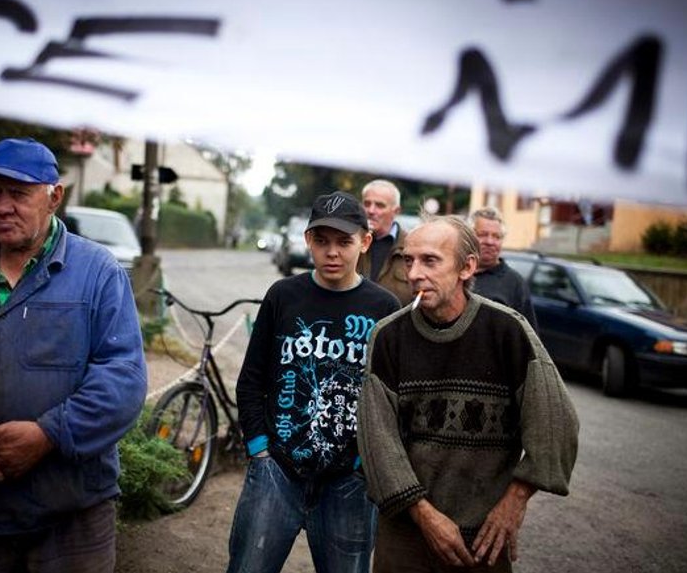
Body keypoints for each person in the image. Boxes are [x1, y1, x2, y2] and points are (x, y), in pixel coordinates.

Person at [0, 137, 148, 573]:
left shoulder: (98, 272)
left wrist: (48, 434)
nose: (1, 206)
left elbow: (124, 378)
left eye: (18, 193)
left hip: (71, 518)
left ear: (54, 198)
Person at [358, 215, 579, 573]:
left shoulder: (508, 331)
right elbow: (376, 441)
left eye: (430, 260)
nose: (414, 273)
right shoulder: (388, 337)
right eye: (409, 260)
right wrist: (425, 515)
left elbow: (556, 424)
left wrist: (515, 501)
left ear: (467, 267)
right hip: (405, 535)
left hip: (484, 539)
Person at [228, 191, 401, 573]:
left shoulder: (384, 307)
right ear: (308, 240)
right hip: (277, 470)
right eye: (321, 241)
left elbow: (391, 398)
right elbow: (252, 379)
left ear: (365, 242)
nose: (332, 252)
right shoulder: (283, 296)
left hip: (348, 482)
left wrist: (363, 461)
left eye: (344, 242)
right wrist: (259, 449)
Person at [469, 206, 538, 329]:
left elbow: (528, 335)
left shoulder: (515, 284)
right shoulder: (455, 273)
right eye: (482, 235)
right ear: (469, 237)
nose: (490, 242)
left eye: (497, 236)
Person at [358, 179, 414, 305]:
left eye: (380, 205)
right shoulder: (351, 242)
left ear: (396, 211)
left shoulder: (411, 248)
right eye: (367, 204)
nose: (371, 211)